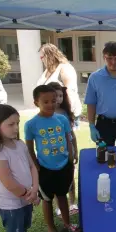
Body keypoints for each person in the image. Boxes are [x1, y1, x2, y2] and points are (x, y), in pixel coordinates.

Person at [25, 85, 80, 232]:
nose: (51, 104)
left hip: (64, 167)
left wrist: (70, 158)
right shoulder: (31, 124)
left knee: (62, 196)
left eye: (53, 101)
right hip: (45, 169)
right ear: (36, 103)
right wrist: (36, 166)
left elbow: (68, 139)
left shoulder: (62, 119)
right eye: (46, 101)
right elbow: (29, 148)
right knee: (47, 200)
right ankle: (51, 229)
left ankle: (67, 223)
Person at [0, 104, 40, 232]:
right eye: (10, 124)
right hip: (10, 204)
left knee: (22, 231)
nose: (16, 128)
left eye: (17, 123)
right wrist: (30, 196)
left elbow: (32, 167)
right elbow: (9, 182)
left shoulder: (20, 144)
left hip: (26, 198)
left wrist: (35, 188)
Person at [47, 82, 79, 216]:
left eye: (61, 96)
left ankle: (73, 203)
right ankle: (59, 206)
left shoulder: (65, 113)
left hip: (68, 152)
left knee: (70, 179)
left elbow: (71, 134)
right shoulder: (46, 114)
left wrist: (75, 150)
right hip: (53, 154)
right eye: (55, 96)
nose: (58, 99)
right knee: (56, 182)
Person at [37, 43, 82, 130]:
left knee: (66, 139)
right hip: (50, 112)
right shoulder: (48, 70)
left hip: (64, 113)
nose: (41, 60)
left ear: (50, 55)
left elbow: (70, 91)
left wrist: (69, 113)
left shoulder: (64, 68)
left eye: (42, 57)